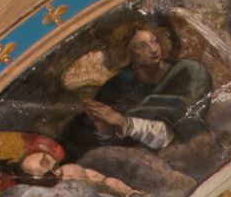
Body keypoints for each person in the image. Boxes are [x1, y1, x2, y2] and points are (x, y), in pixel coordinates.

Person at [81, 25, 212, 149]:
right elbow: (116, 143)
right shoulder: (119, 86)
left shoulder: (189, 73)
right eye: (142, 46)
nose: (153, 50)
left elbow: (175, 132)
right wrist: (104, 127)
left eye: (155, 41)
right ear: (127, 53)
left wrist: (123, 122)